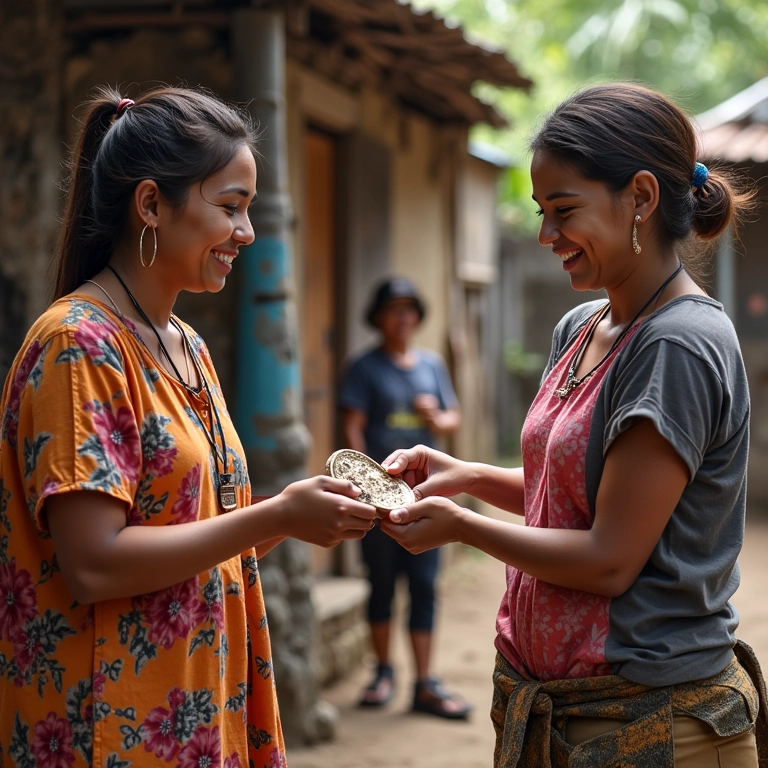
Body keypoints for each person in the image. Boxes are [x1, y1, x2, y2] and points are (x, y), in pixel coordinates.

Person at [379, 83, 768, 766]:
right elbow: (573, 491)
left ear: (641, 198)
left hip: (651, 727)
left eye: (563, 211)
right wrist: (464, 477)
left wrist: (465, 527)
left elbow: (612, 559)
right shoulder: (583, 327)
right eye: (540, 212)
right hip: (564, 717)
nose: (545, 235)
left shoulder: (675, 344)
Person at [0, 86, 377, 768]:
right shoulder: (79, 347)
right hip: (112, 728)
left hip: (197, 708)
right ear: (150, 205)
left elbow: (196, 532)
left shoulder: (185, 347)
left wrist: (294, 514)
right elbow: (93, 564)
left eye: (249, 208)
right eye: (230, 206)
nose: (248, 232)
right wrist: (276, 518)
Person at [339, 277, 471, 720]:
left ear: (417, 316)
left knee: (423, 586)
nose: (402, 317)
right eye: (393, 309)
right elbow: (353, 428)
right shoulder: (363, 368)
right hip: (377, 500)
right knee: (381, 584)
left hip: (423, 496)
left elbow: (452, 419)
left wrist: (439, 417)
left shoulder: (432, 365)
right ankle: (382, 673)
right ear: (378, 317)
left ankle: (425, 683)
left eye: (409, 309)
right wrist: (361, 484)